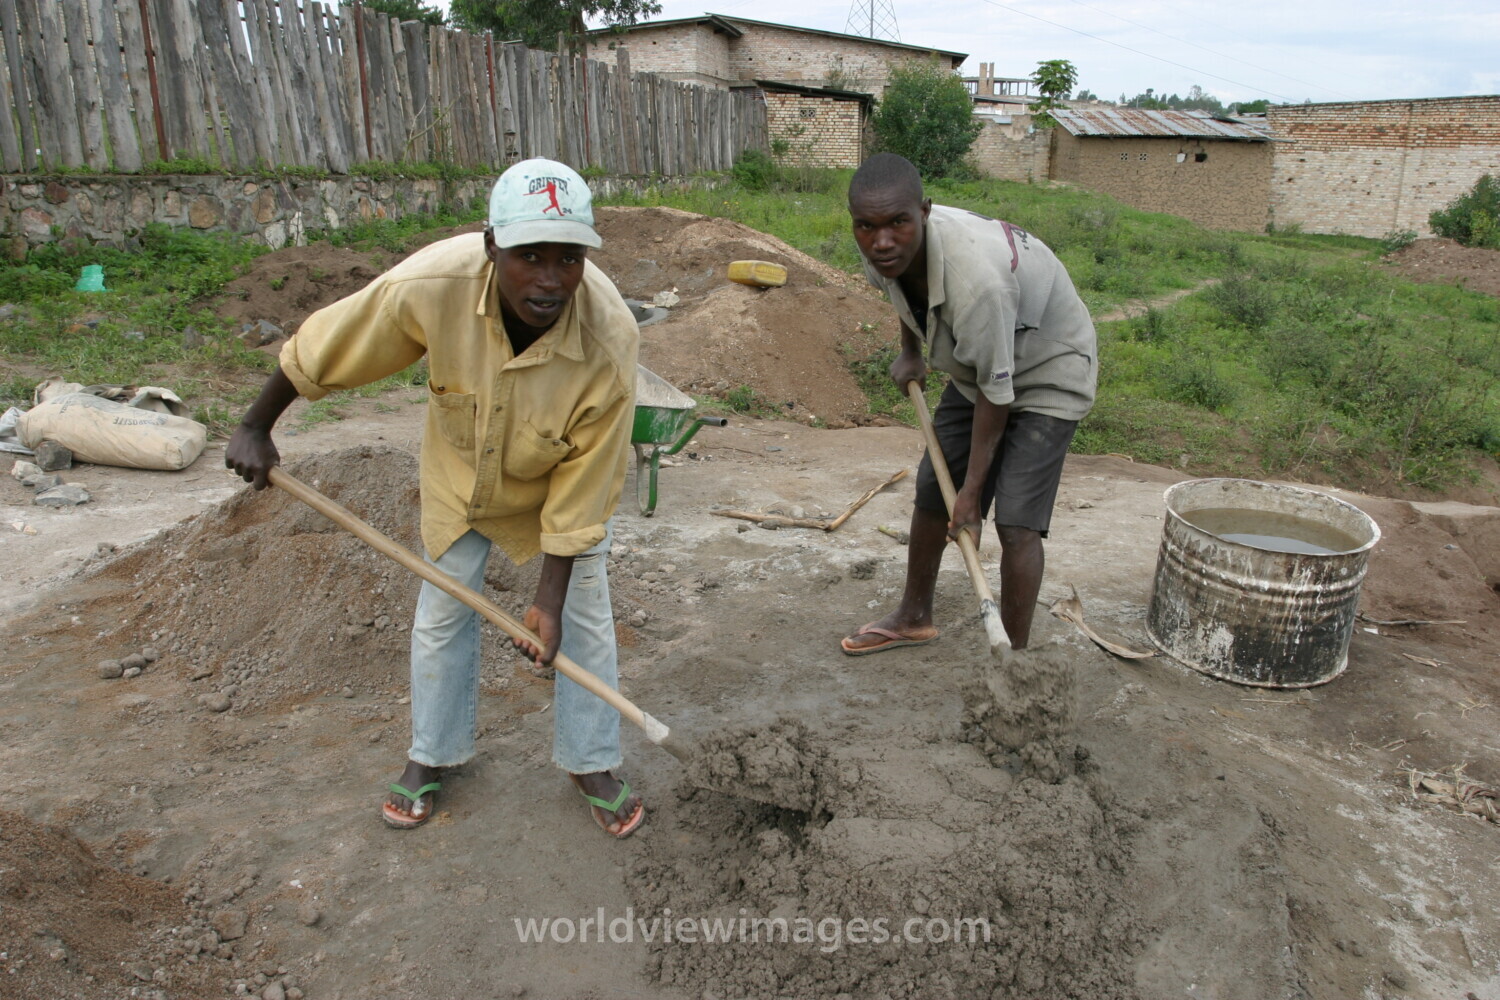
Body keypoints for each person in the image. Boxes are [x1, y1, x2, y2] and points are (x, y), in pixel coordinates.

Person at [226, 158, 645, 838]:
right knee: (443, 617)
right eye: (528, 256)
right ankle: (432, 754)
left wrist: (545, 599)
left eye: (568, 259)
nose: (548, 279)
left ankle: (590, 760)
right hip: (461, 475)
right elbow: (332, 345)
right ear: (490, 247)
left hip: (554, 482)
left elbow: (589, 481)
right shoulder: (432, 285)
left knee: (584, 621)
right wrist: (254, 424)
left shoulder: (609, 338)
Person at [840, 153, 1097, 655]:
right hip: (980, 357)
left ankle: (1014, 661)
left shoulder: (977, 283)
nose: (882, 241)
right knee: (934, 487)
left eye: (898, 223)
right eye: (867, 227)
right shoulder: (882, 252)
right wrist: (911, 351)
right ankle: (913, 616)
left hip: (1048, 365)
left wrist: (973, 495)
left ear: (925, 212)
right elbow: (906, 293)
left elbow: (998, 397)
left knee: (1018, 519)